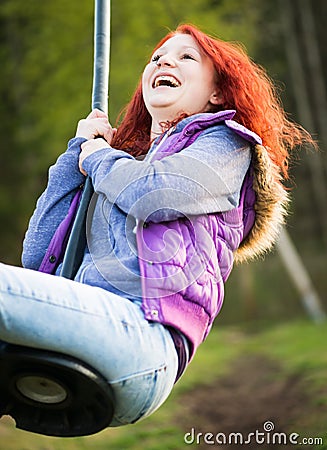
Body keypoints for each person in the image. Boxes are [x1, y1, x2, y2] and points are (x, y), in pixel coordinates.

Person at [0, 24, 314, 427]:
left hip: (140, 340)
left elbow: (157, 196)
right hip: (76, 338)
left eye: (186, 57)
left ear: (217, 92)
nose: (165, 60)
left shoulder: (227, 144)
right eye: (157, 58)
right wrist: (75, 156)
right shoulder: (119, 169)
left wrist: (98, 159)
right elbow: (39, 257)